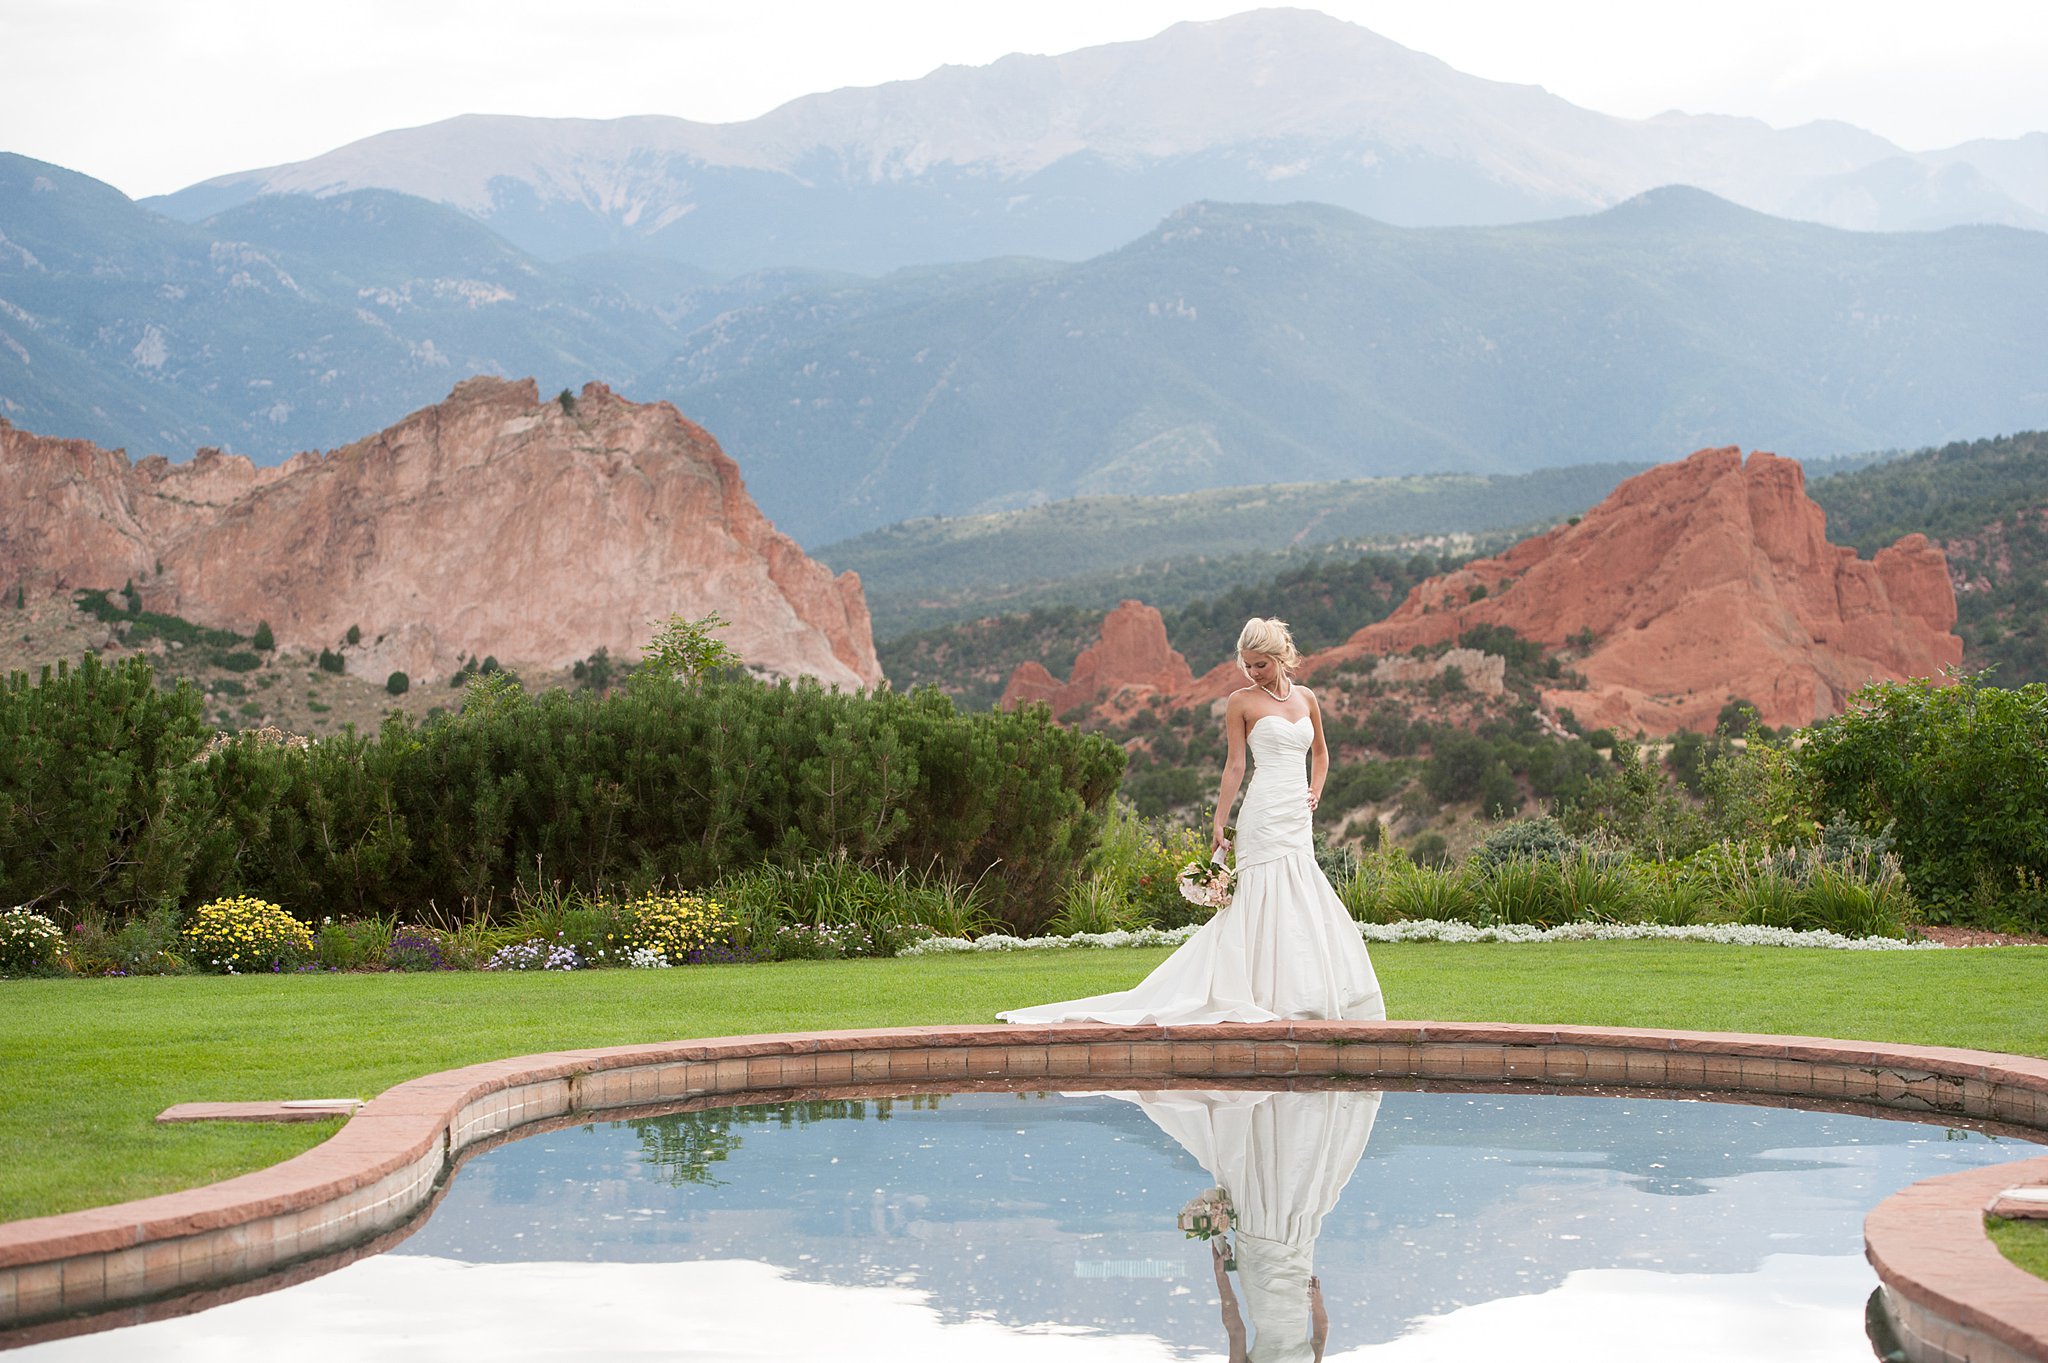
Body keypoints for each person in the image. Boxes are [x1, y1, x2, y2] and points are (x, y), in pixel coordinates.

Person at [998, 617, 1384, 1024]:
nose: (1253, 673)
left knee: (1298, 895)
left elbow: (1321, 753)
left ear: (1280, 657)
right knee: (1259, 896)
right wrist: (1220, 820)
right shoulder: (1240, 702)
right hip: (1263, 812)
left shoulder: (1306, 697)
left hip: (1296, 815)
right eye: (1247, 665)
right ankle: (1254, 993)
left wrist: (1315, 791)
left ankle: (1303, 995)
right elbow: (1235, 765)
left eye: (1261, 665)